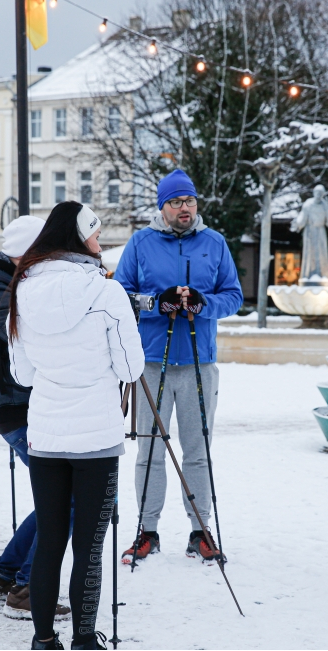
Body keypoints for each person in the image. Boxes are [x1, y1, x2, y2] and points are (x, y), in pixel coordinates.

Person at [7, 201, 144, 650]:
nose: (100, 243)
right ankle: (85, 638)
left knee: (50, 540)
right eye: (96, 234)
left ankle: (43, 640)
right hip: (97, 440)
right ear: (80, 237)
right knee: (88, 544)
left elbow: (22, 374)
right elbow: (130, 368)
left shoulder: (22, 290)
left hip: (46, 435)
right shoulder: (106, 292)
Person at [114, 169, 243, 563]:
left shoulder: (214, 243)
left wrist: (204, 305)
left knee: (197, 451)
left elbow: (234, 296)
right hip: (151, 362)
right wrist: (157, 303)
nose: (184, 208)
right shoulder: (140, 243)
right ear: (162, 207)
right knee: (150, 450)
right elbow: (119, 294)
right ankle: (147, 531)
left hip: (199, 363)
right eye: (175, 202)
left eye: (189, 201)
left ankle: (200, 530)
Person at [0, 215, 69, 620]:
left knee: (58, 498)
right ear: (26, 251)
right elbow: (37, 335)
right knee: (65, 499)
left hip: (23, 407)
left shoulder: (7, 283)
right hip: (18, 411)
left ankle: (2, 574)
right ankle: (27, 588)